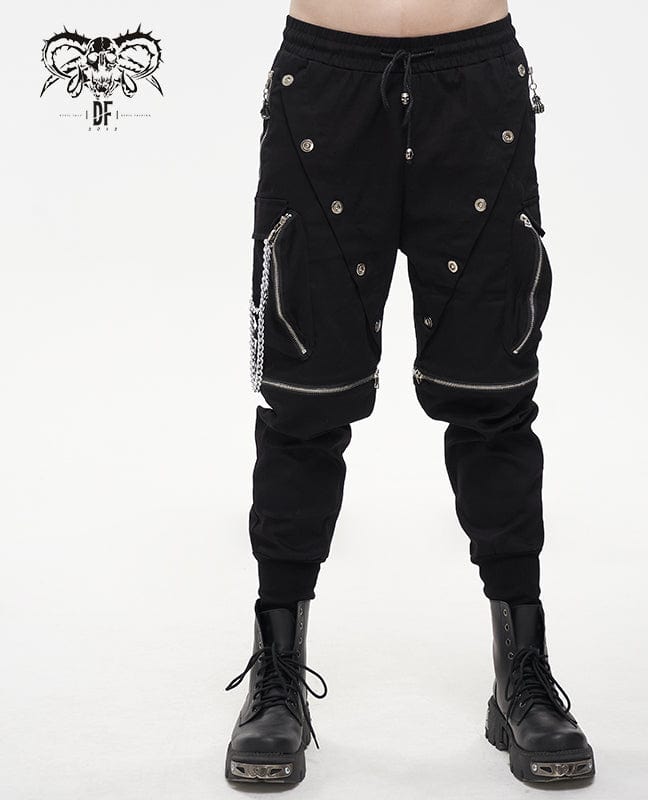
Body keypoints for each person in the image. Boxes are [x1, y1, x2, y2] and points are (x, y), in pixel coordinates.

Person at [224, 0, 595, 785]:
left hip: (476, 82)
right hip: (324, 83)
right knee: (305, 399)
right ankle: (276, 678)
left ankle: (523, 673)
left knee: (493, 395)